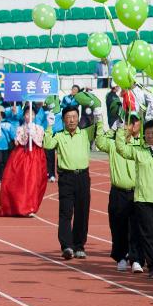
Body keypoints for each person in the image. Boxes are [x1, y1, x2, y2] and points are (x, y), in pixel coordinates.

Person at [114, 119, 153, 279]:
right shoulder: (138, 151)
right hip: (143, 199)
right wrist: (120, 129)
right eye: (147, 133)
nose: (151, 136)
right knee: (148, 234)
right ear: (143, 135)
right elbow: (121, 149)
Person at [43, 103, 98, 258]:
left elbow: (99, 130)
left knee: (82, 212)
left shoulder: (86, 133)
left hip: (83, 177)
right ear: (63, 120)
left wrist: (98, 114)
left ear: (78, 118)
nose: (72, 120)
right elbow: (47, 144)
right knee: (66, 212)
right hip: (66, 178)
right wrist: (49, 125)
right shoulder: (59, 135)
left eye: (74, 117)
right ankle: (67, 246)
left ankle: (79, 245)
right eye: (68, 118)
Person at [96, 112, 140, 272]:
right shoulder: (114, 145)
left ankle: (135, 258)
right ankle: (121, 257)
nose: (132, 126)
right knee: (118, 226)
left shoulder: (140, 145)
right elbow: (100, 143)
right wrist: (102, 123)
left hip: (137, 192)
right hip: (119, 192)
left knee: (136, 227)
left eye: (135, 123)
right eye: (129, 123)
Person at [0, 106, 48, 218]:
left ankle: (30, 206)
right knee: (19, 181)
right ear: (24, 116)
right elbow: (18, 142)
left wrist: (32, 133)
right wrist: (26, 133)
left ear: (35, 116)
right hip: (21, 155)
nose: (29, 116)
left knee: (34, 181)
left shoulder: (39, 128)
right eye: (27, 114)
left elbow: (39, 142)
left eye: (32, 114)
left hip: (35, 155)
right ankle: (17, 206)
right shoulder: (20, 128)